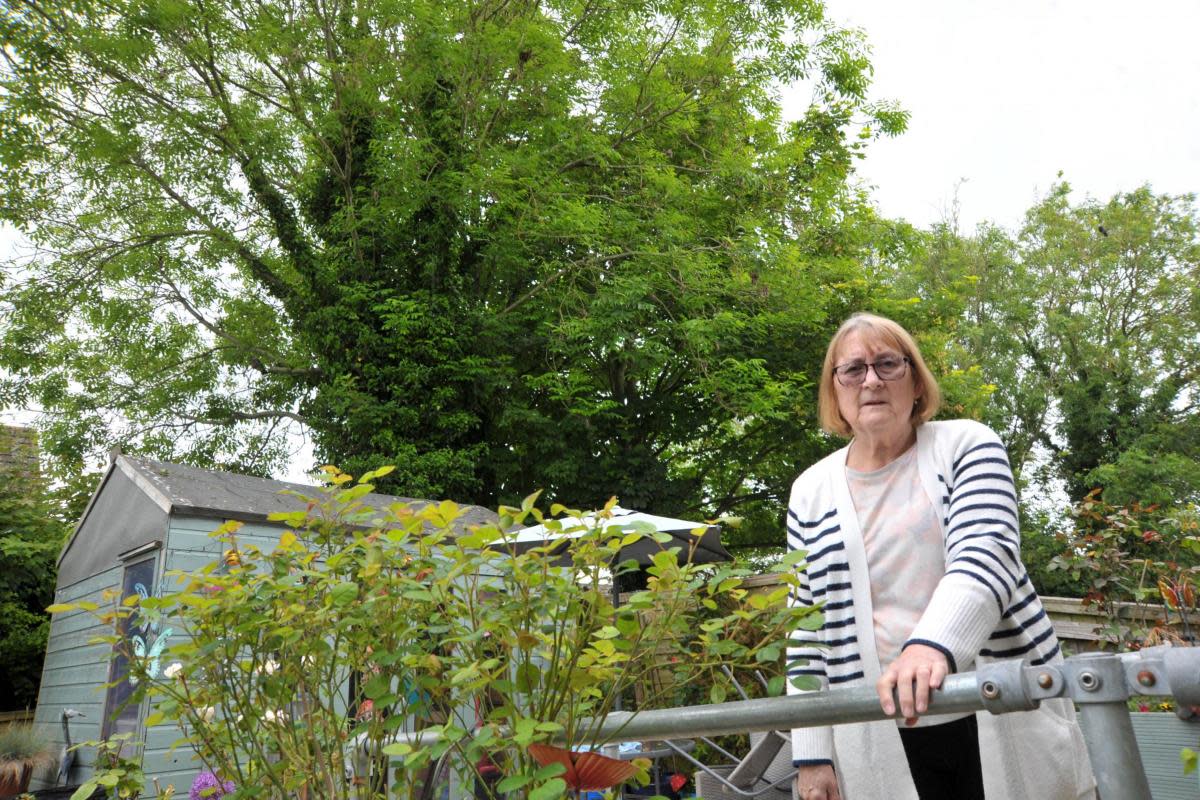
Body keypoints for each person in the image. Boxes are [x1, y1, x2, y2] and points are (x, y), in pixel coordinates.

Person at [785, 313, 1095, 800]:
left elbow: (986, 553)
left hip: (996, 706)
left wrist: (930, 647)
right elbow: (806, 628)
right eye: (853, 369)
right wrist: (811, 754)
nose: (871, 380)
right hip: (876, 726)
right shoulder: (809, 491)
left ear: (915, 381)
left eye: (888, 363)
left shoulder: (967, 444)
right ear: (835, 391)